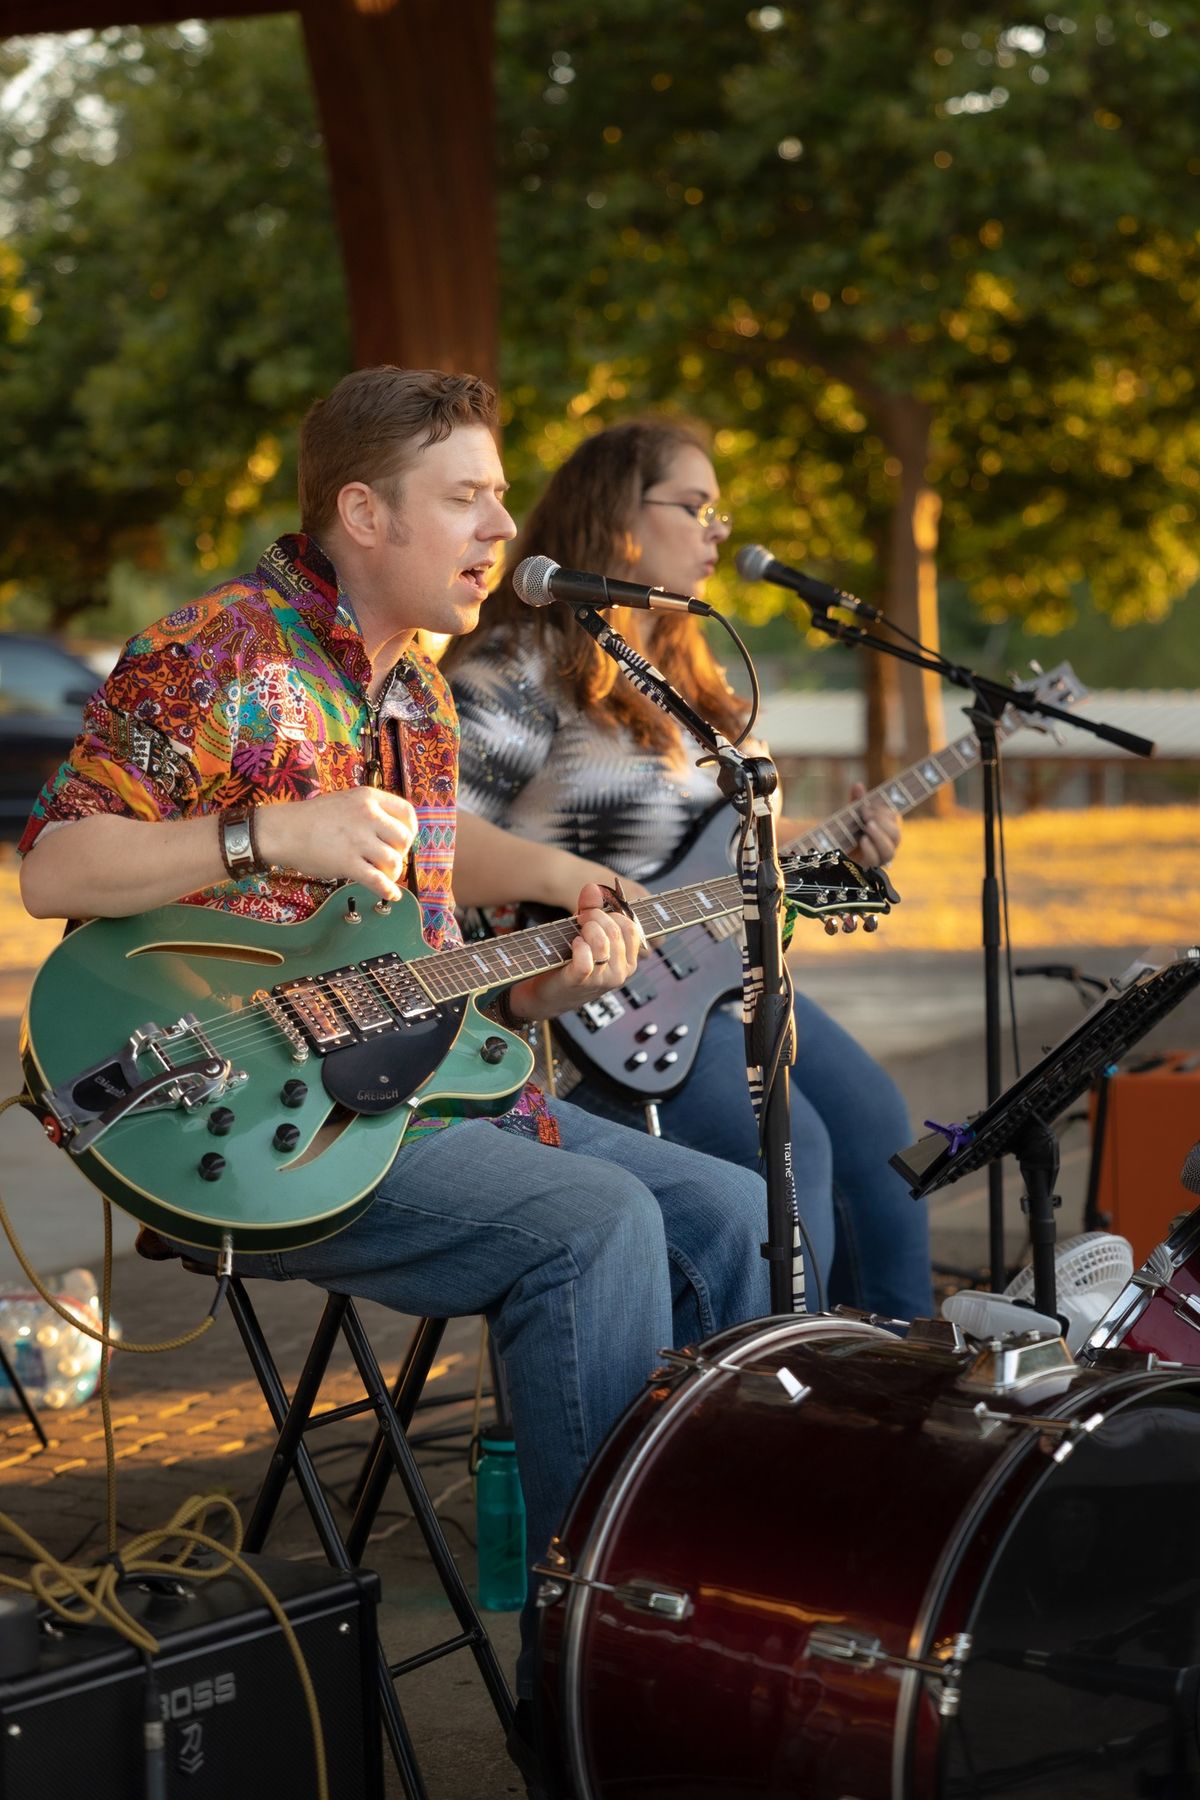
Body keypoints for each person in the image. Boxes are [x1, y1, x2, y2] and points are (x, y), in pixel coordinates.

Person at [17, 370, 772, 1777]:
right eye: (467, 496)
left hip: (419, 1092)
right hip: (239, 1113)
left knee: (725, 1212)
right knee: (596, 1226)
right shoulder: (214, 655)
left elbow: (422, 903)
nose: (501, 522)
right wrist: (262, 838)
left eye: (498, 491)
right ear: (362, 513)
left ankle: (694, 1610)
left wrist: (552, 914)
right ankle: (592, 1675)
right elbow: (59, 866)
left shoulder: (413, 685)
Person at [444, 416, 933, 1320]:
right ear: (617, 516)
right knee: (797, 1158)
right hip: (602, 996)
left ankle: (897, 1382)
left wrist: (827, 850)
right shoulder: (521, 662)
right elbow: (435, 841)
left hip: (724, 972)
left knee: (877, 1129)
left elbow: (720, 863)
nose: (718, 530)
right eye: (695, 505)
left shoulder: (688, 686)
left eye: (720, 510)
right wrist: (575, 884)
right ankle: (773, 1397)